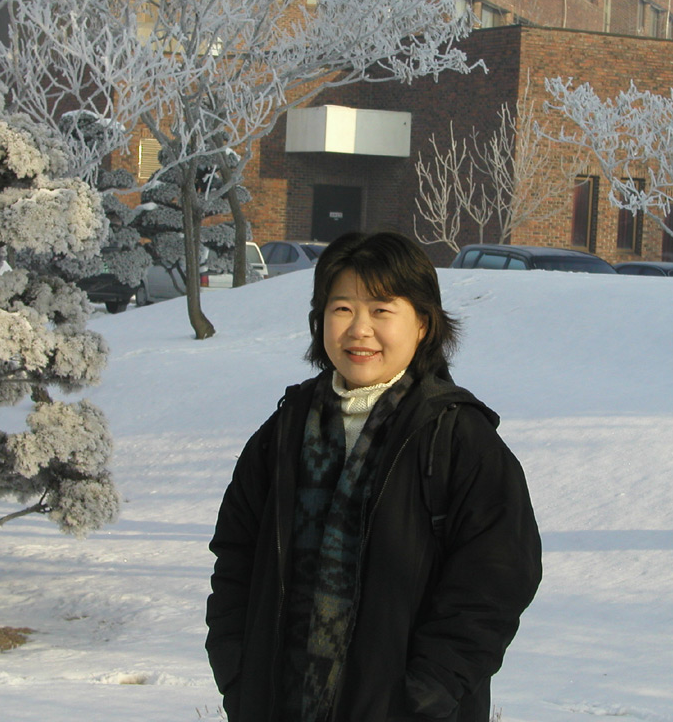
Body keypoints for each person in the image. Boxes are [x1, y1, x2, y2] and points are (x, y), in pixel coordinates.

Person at [206, 231, 542, 722]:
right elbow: (235, 560)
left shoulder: (457, 440)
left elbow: (496, 581)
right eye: (342, 309)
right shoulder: (284, 432)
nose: (359, 330)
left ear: (423, 323)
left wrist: (428, 693)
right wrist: (238, 675)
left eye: (381, 310)